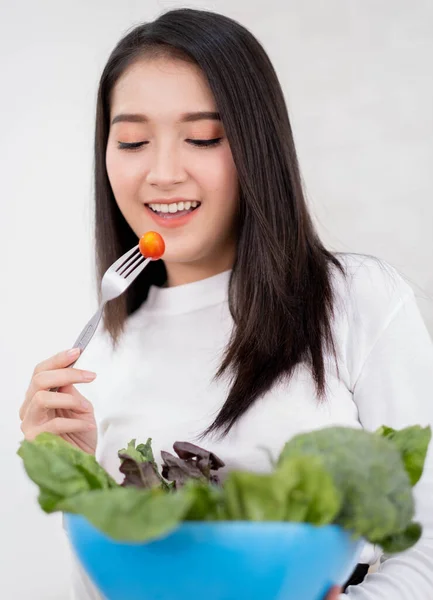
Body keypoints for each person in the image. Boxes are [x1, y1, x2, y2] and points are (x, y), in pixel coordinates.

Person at [19, 8, 433, 600]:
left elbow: (426, 547)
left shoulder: (357, 300)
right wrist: (78, 484)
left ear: (258, 147)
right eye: (133, 141)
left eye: (203, 138)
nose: (162, 173)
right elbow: (111, 587)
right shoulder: (100, 356)